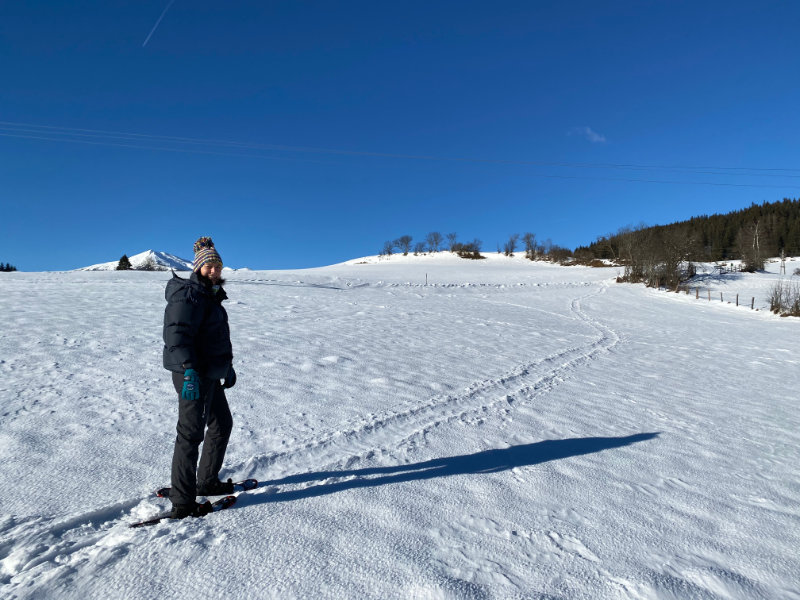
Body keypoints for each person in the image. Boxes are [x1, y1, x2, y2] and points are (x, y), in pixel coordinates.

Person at [162, 236, 237, 519]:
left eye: (217, 266)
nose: (214, 270)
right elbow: (176, 335)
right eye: (209, 266)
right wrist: (190, 369)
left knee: (221, 424)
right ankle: (183, 501)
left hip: (208, 374)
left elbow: (214, 339)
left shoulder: (210, 295)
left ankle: (206, 480)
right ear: (197, 268)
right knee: (190, 434)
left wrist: (225, 368)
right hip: (190, 374)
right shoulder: (188, 294)